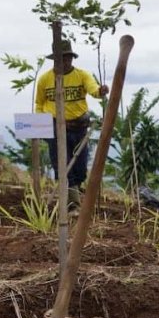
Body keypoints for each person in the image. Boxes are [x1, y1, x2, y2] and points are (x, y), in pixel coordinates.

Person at [35, 40, 108, 208]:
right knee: (62, 163)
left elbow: (93, 89)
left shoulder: (82, 75)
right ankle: (72, 201)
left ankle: (75, 190)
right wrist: (42, 124)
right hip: (54, 125)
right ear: (55, 59)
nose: (65, 61)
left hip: (78, 126)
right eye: (61, 58)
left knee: (80, 166)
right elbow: (39, 103)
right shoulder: (45, 79)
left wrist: (100, 91)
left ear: (72, 58)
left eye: (68, 57)